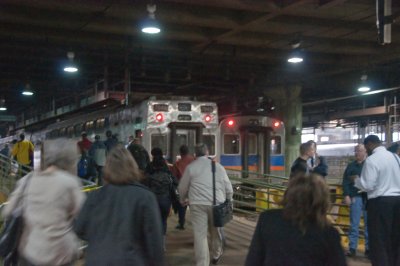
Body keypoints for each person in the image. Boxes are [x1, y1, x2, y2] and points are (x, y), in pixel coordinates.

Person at [74, 145, 164, 266]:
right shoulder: (145, 197)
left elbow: (80, 229)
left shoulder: (95, 196)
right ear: (133, 167)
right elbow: (154, 241)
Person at [3, 138, 86, 266]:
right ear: (69, 161)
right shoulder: (70, 183)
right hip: (60, 255)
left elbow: (8, 211)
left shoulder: (27, 180)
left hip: (30, 253)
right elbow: (83, 219)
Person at [245, 174, 346, 266]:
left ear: (289, 194)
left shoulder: (268, 219)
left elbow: (253, 260)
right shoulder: (328, 233)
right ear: (322, 200)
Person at [178, 143, 233, 266]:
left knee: (200, 235)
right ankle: (216, 254)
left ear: (195, 155)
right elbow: (229, 188)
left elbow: (182, 187)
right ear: (207, 153)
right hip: (216, 204)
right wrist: (229, 200)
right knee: (215, 231)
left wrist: (182, 199)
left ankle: (202, 263)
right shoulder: (218, 167)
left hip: (197, 205)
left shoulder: (191, 167)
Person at [355, 135, 400, 266]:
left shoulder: (372, 160)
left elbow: (368, 185)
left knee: (379, 241)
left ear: (369, 144)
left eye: (366, 147)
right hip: (398, 202)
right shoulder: (396, 158)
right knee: (395, 239)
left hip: (380, 203)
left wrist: (357, 181)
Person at [145, 147, 176, 249]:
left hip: (152, 200)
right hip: (165, 200)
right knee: (163, 221)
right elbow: (174, 183)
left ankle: (153, 243)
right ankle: (162, 244)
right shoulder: (167, 168)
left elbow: (144, 182)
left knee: (152, 221)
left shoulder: (149, 167)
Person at [342, 144, 369, 257]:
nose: (357, 153)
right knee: (354, 224)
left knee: (369, 224)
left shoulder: (369, 165)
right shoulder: (351, 166)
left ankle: (369, 249)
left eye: (360, 151)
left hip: (368, 198)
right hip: (355, 197)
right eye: (356, 151)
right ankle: (352, 248)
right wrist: (346, 195)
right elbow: (345, 182)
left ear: (365, 152)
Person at [171, 144, 194, 230]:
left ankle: (181, 223)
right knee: (194, 205)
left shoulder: (177, 164)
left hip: (183, 187)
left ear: (180, 153)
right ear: (188, 152)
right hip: (194, 187)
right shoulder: (194, 160)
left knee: (182, 206)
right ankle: (195, 221)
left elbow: (174, 177)